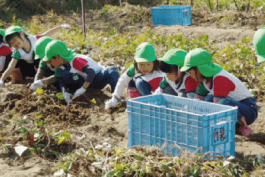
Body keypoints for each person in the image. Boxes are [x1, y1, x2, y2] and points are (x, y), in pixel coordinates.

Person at [180, 48, 258, 137]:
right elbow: (197, 101)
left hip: (248, 109)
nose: (190, 76)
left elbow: (218, 106)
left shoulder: (219, 78)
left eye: (190, 72)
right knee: (209, 98)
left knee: (223, 102)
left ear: (199, 70)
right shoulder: (204, 81)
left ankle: (242, 127)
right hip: (237, 108)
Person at [42, 40, 120, 104]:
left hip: (97, 78)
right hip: (86, 81)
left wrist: (83, 88)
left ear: (58, 58)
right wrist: (65, 92)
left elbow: (91, 72)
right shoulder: (61, 66)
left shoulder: (75, 60)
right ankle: (74, 94)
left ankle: (116, 97)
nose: (50, 64)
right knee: (65, 75)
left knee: (111, 70)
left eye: (50, 61)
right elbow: (61, 81)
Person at [0, 24, 70, 86]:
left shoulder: (35, 40)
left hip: (42, 68)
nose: (14, 44)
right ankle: (18, 79)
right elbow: (11, 67)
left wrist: (60, 27)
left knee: (37, 54)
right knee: (12, 58)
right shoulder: (17, 52)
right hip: (30, 70)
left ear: (22, 34)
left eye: (15, 39)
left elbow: (47, 33)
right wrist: (2, 80)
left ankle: (43, 79)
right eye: (11, 43)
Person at [105, 42, 165, 109]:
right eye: (142, 64)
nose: (145, 68)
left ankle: (150, 105)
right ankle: (137, 102)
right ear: (136, 63)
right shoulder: (134, 68)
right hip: (144, 90)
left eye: (148, 64)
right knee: (131, 80)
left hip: (157, 93)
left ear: (154, 62)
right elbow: (122, 80)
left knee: (139, 82)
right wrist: (115, 98)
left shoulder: (161, 67)